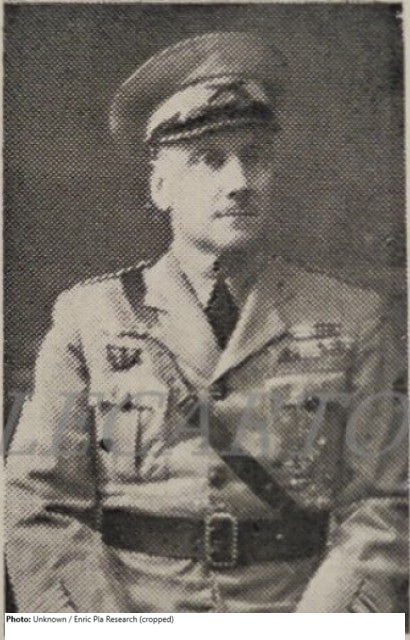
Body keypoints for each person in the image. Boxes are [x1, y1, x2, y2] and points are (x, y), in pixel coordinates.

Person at [6, 31, 407, 614]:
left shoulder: (352, 317)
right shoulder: (90, 319)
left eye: (255, 157)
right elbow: (37, 502)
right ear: (160, 186)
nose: (239, 182)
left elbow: (386, 503)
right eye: (209, 160)